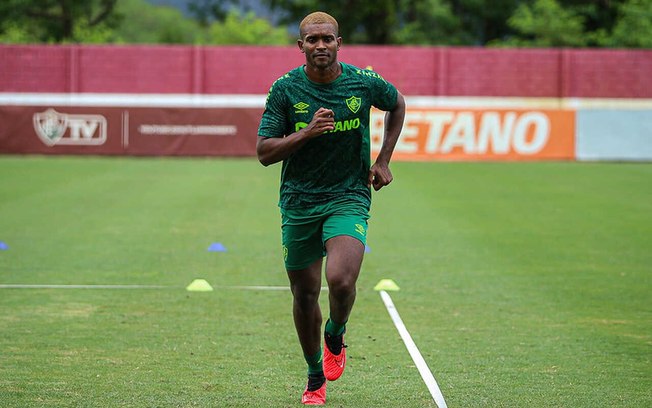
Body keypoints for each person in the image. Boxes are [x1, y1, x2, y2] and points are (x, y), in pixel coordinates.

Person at [256, 11, 406, 406]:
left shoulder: (363, 82)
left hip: (348, 196)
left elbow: (397, 103)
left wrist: (383, 159)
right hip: (299, 202)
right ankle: (313, 376)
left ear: (339, 43)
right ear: (300, 46)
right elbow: (264, 153)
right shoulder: (285, 89)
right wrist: (306, 132)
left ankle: (336, 333)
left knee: (341, 279)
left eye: (327, 39)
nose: (320, 45)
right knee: (305, 295)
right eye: (312, 39)